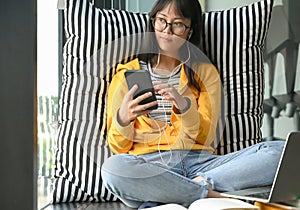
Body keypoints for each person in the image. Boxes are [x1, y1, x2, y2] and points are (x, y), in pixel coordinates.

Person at [101, 0, 285, 208]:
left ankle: (176, 192)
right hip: (150, 166)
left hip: (202, 164)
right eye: (161, 20)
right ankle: (205, 194)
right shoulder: (125, 75)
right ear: (153, 22)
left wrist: (184, 107)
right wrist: (123, 118)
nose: (167, 30)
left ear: (190, 30)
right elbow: (118, 147)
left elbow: (207, 134)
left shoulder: (205, 73)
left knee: (279, 152)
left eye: (177, 23)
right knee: (113, 169)